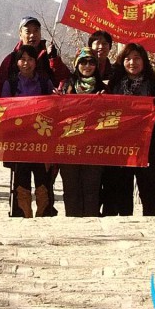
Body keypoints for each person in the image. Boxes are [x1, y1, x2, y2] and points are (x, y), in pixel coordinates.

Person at [100, 42, 155, 217]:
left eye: (137, 58)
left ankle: (149, 221)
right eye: (128, 59)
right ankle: (126, 221)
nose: (132, 63)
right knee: (123, 187)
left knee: (147, 187)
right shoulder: (114, 85)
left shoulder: (153, 85)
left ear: (144, 61)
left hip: (147, 144)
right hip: (121, 144)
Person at [0, 44, 57, 218]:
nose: (26, 63)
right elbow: (4, 110)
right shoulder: (11, 84)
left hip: (41, 142)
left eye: (30, 59)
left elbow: (54, 108)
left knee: (43, 184)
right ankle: (21, 216)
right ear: (17, 62)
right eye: (22, 59)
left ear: (35, 62)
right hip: (18, 142)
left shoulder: (44, 82)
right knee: (21, 183)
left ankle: (44, 215)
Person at [57, 47, 106, 217]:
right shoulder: (66, 86)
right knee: (71, 190)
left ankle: (91, 222)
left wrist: (104, 102)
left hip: (94, 148)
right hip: (69, 146)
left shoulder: (103, 88)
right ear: (77, 64)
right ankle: (73, 224)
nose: (87, 66)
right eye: (83, 62)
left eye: (91, 62)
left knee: (92, 190)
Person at [0, 16, 70, 90]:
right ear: (20, 34)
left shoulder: (48, 57)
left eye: (36, 30)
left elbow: (65, 79)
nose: (32, 35)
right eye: (28, 31)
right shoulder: (11, 60)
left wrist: (54, 60)